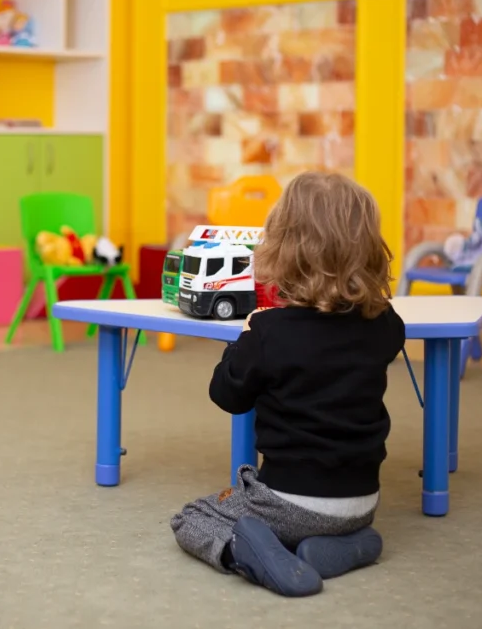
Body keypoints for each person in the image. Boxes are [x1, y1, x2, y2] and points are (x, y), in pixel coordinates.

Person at [170, 172, 406, 597]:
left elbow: (226, 394)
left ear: (283, 248)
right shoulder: (386, 324)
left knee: (193, 517)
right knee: (331, 521)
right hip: (362, 502)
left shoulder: (269, 332)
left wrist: (247, 335)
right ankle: (349, 546)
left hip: (287, 503)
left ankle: (247, 552)